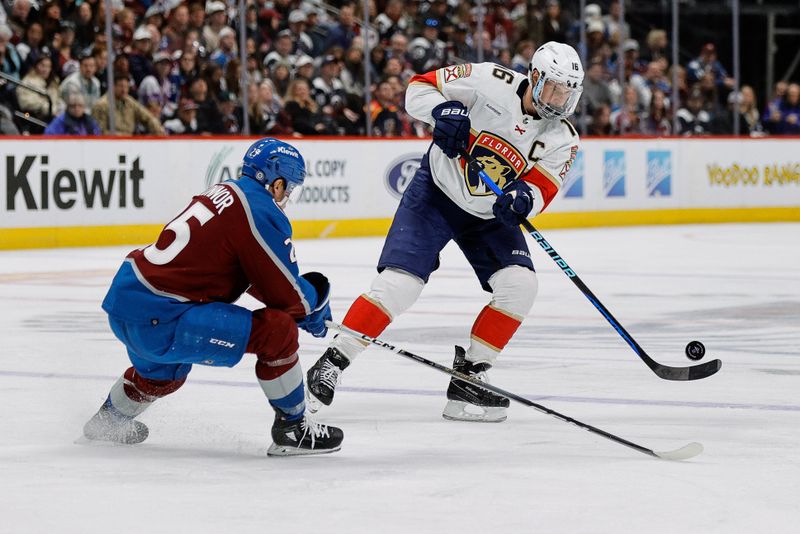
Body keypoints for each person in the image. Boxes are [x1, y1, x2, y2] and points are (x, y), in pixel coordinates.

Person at [306, 42, 583, 422]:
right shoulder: (489, 79)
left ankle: (469, 378)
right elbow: (418, 87)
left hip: (488, 216)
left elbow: (542, 186)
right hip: (435, 195)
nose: (560, 100)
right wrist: (442, 110)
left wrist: (523, 198)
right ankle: (333, 361)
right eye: (555, 88)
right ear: (534, 77)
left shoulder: (563, 138)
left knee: (521, 286)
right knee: (399, 285)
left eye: (568, 92)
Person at [82, 138, 344, 456]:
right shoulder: (260, 209)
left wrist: (302, 304)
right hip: (163, 319)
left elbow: (247, 272)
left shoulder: (225, 191)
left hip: (126, 303)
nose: (287, 196)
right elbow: (290, 298)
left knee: (163, 374)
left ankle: (107, 422)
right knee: (278, 332)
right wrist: (314, 303)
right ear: (276, 183)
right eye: (288, 188)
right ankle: (293, 429)